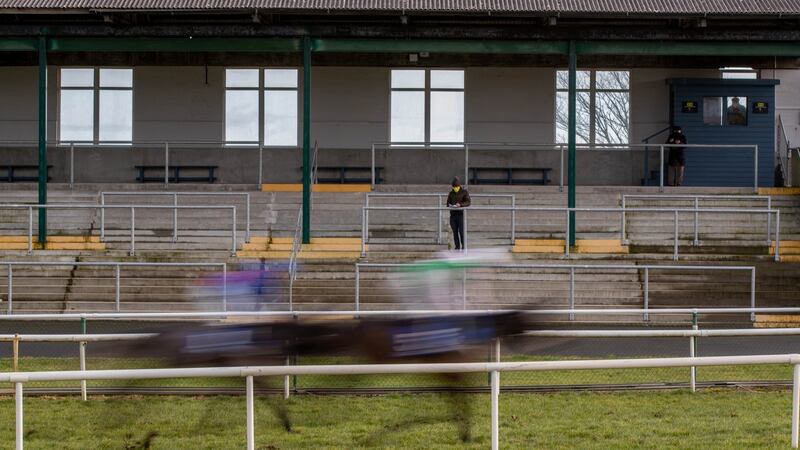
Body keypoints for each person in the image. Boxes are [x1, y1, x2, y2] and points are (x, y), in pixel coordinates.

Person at [446, 177, 471, 251]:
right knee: (455, 233)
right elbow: (447, 203)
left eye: (456, 186)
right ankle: (457, 247)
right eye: (454, 187)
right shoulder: (451, 193)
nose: (455, 188)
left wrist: (460, 204)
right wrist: (451, 205)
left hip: (461, 215)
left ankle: (464, 247)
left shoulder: (464, 192)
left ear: (459, 186)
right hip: (453, 215)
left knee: (461, 232)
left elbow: (468, 202)